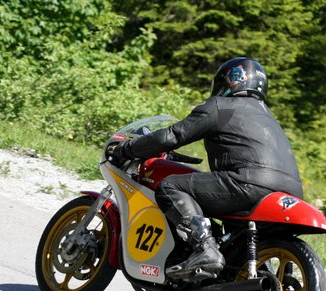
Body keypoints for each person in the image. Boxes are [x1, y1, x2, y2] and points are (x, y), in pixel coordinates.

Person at [110, 57, 303, 278]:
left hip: (248, 184)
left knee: (170, 186)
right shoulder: (269, 118)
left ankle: (205, 249)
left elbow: (173, 136)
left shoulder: (223, 106)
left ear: (228, 82)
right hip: (291, 193)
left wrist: (127, 149)